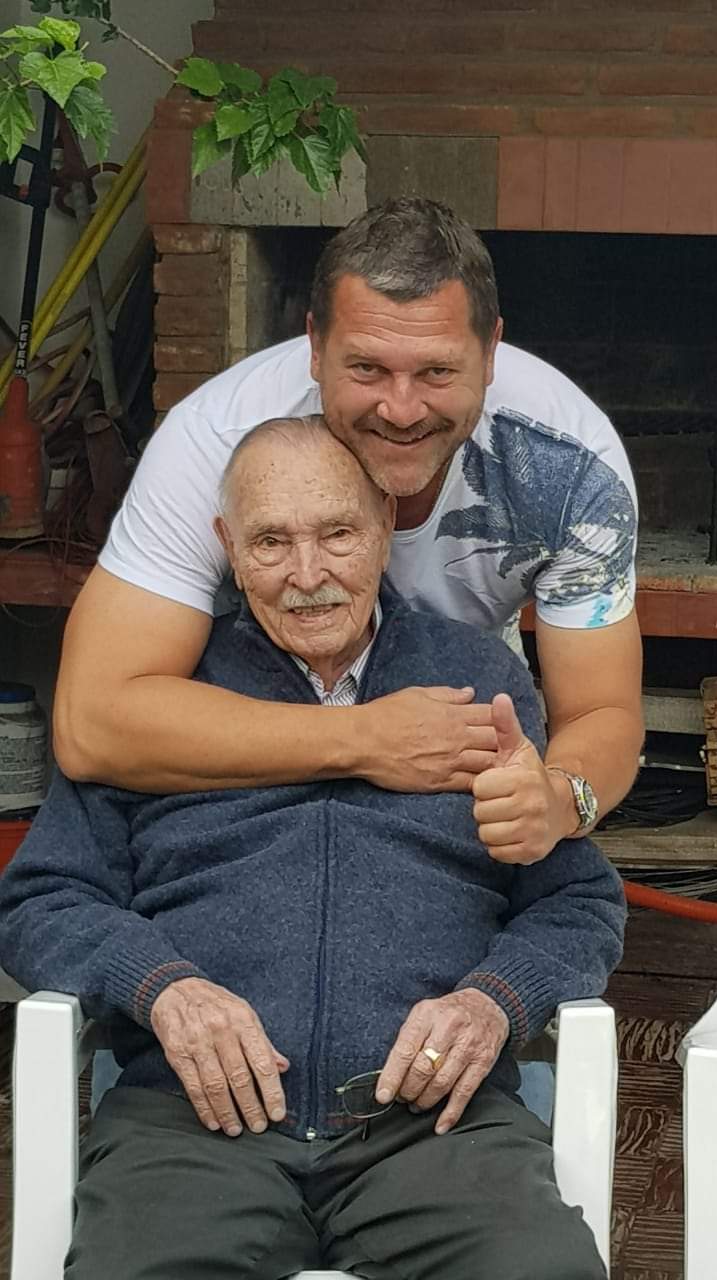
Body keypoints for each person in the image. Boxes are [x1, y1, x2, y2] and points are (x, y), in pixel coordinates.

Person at [0, 419, 625, 1280]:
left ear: (384, 524)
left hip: (432, 1128)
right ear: (228, 548)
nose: (307, 575)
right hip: (195, 1127)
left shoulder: (478, 680)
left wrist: (494, 1001)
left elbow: (578, 902)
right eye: (270, 542)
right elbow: (42, 898)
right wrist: (162, 987)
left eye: (336, 534)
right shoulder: (165, 697)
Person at [54, 198, 643, 864]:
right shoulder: (213, 444)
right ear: (315, 347)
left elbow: (602, 713)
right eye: (367, 369)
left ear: (491, 353)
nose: (401, 409)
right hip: (246, 713)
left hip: (463, 697)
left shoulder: (573, 468)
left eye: (437, 371)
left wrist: (560, 799)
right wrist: (365, 739)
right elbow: (90, 723)